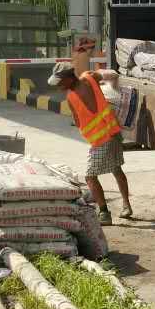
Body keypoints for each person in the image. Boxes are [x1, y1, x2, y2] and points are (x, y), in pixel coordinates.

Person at [48, 48, 131, 225]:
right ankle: (126, 205)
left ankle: (104, 213)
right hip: (114, 132)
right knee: (116, 169)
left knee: (90, 177)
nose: (58, 86)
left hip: (102, 140)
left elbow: (78, 121)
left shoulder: (71, 98)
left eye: (60, 82)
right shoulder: (90, 77)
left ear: (69, 78)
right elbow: (111, 75)